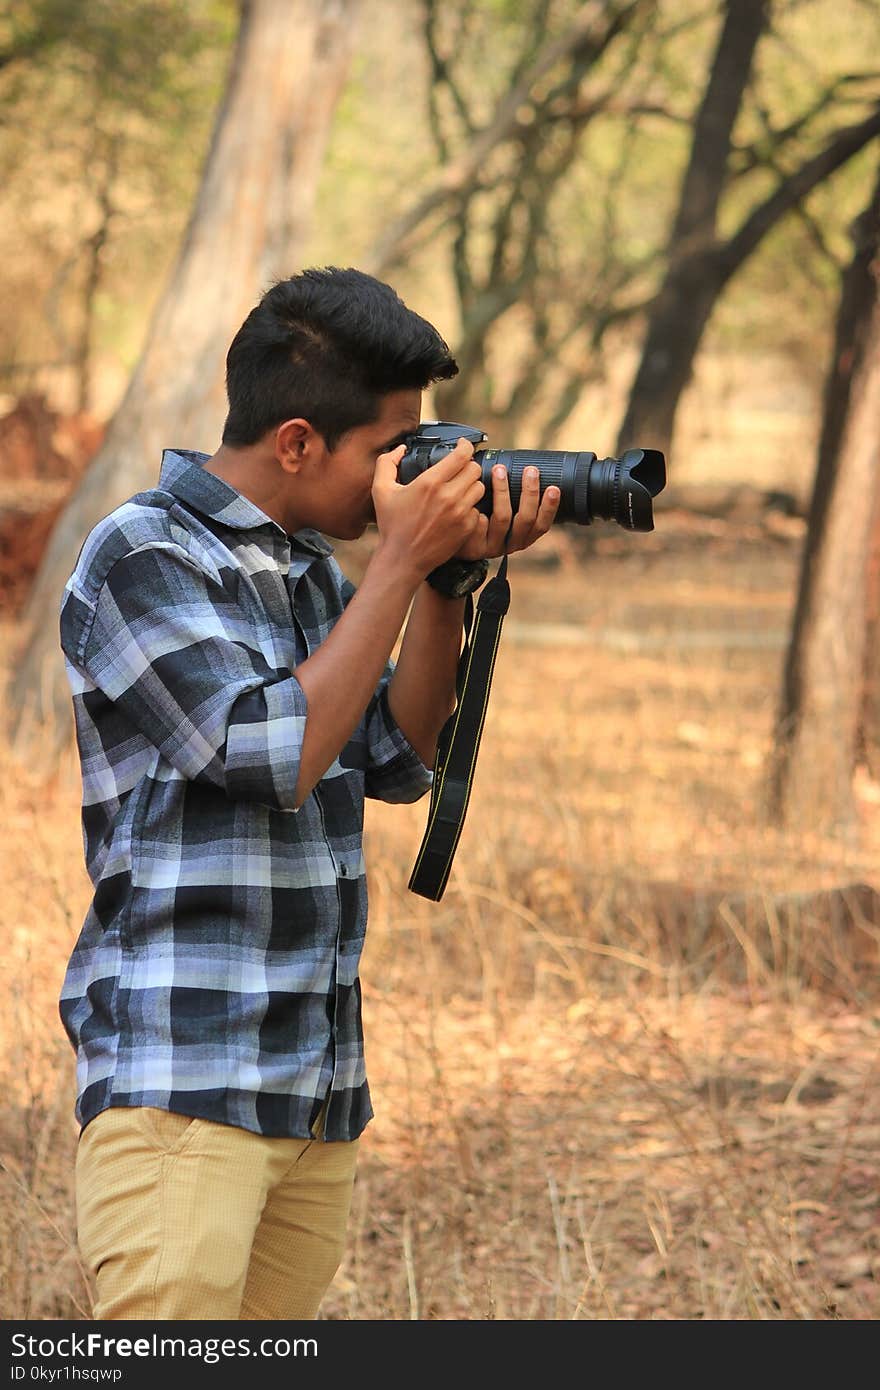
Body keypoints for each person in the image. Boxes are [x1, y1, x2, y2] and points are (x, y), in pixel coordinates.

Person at [59, 266, 560, 1321]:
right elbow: (269, 754)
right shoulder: (142, 553)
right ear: (295, 442)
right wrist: (391, 567)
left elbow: (396, 756)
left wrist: (436, 586)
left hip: (311, 1086)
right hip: (182, 1080)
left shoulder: (312, 571)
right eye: (392, 454)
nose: (409, 481)